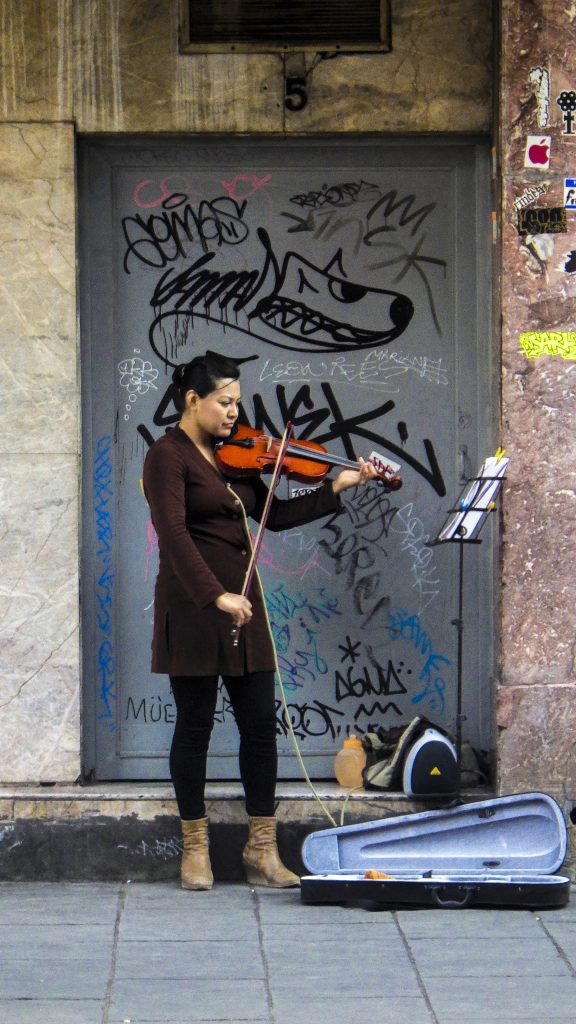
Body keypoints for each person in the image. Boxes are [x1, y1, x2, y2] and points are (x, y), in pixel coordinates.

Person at [143, 350, 381, 891]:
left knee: (259, 729)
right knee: (195, 727)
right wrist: (216, 596)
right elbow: (173, 535)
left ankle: (262, 850)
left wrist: (334, 488)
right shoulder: (167, 456)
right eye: (224, 402)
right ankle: (196, 850)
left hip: (243, 607)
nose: (233, 412)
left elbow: (275, 516)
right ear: (192, 400)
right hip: (196, 608)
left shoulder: (233, 457)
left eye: (237, 402)